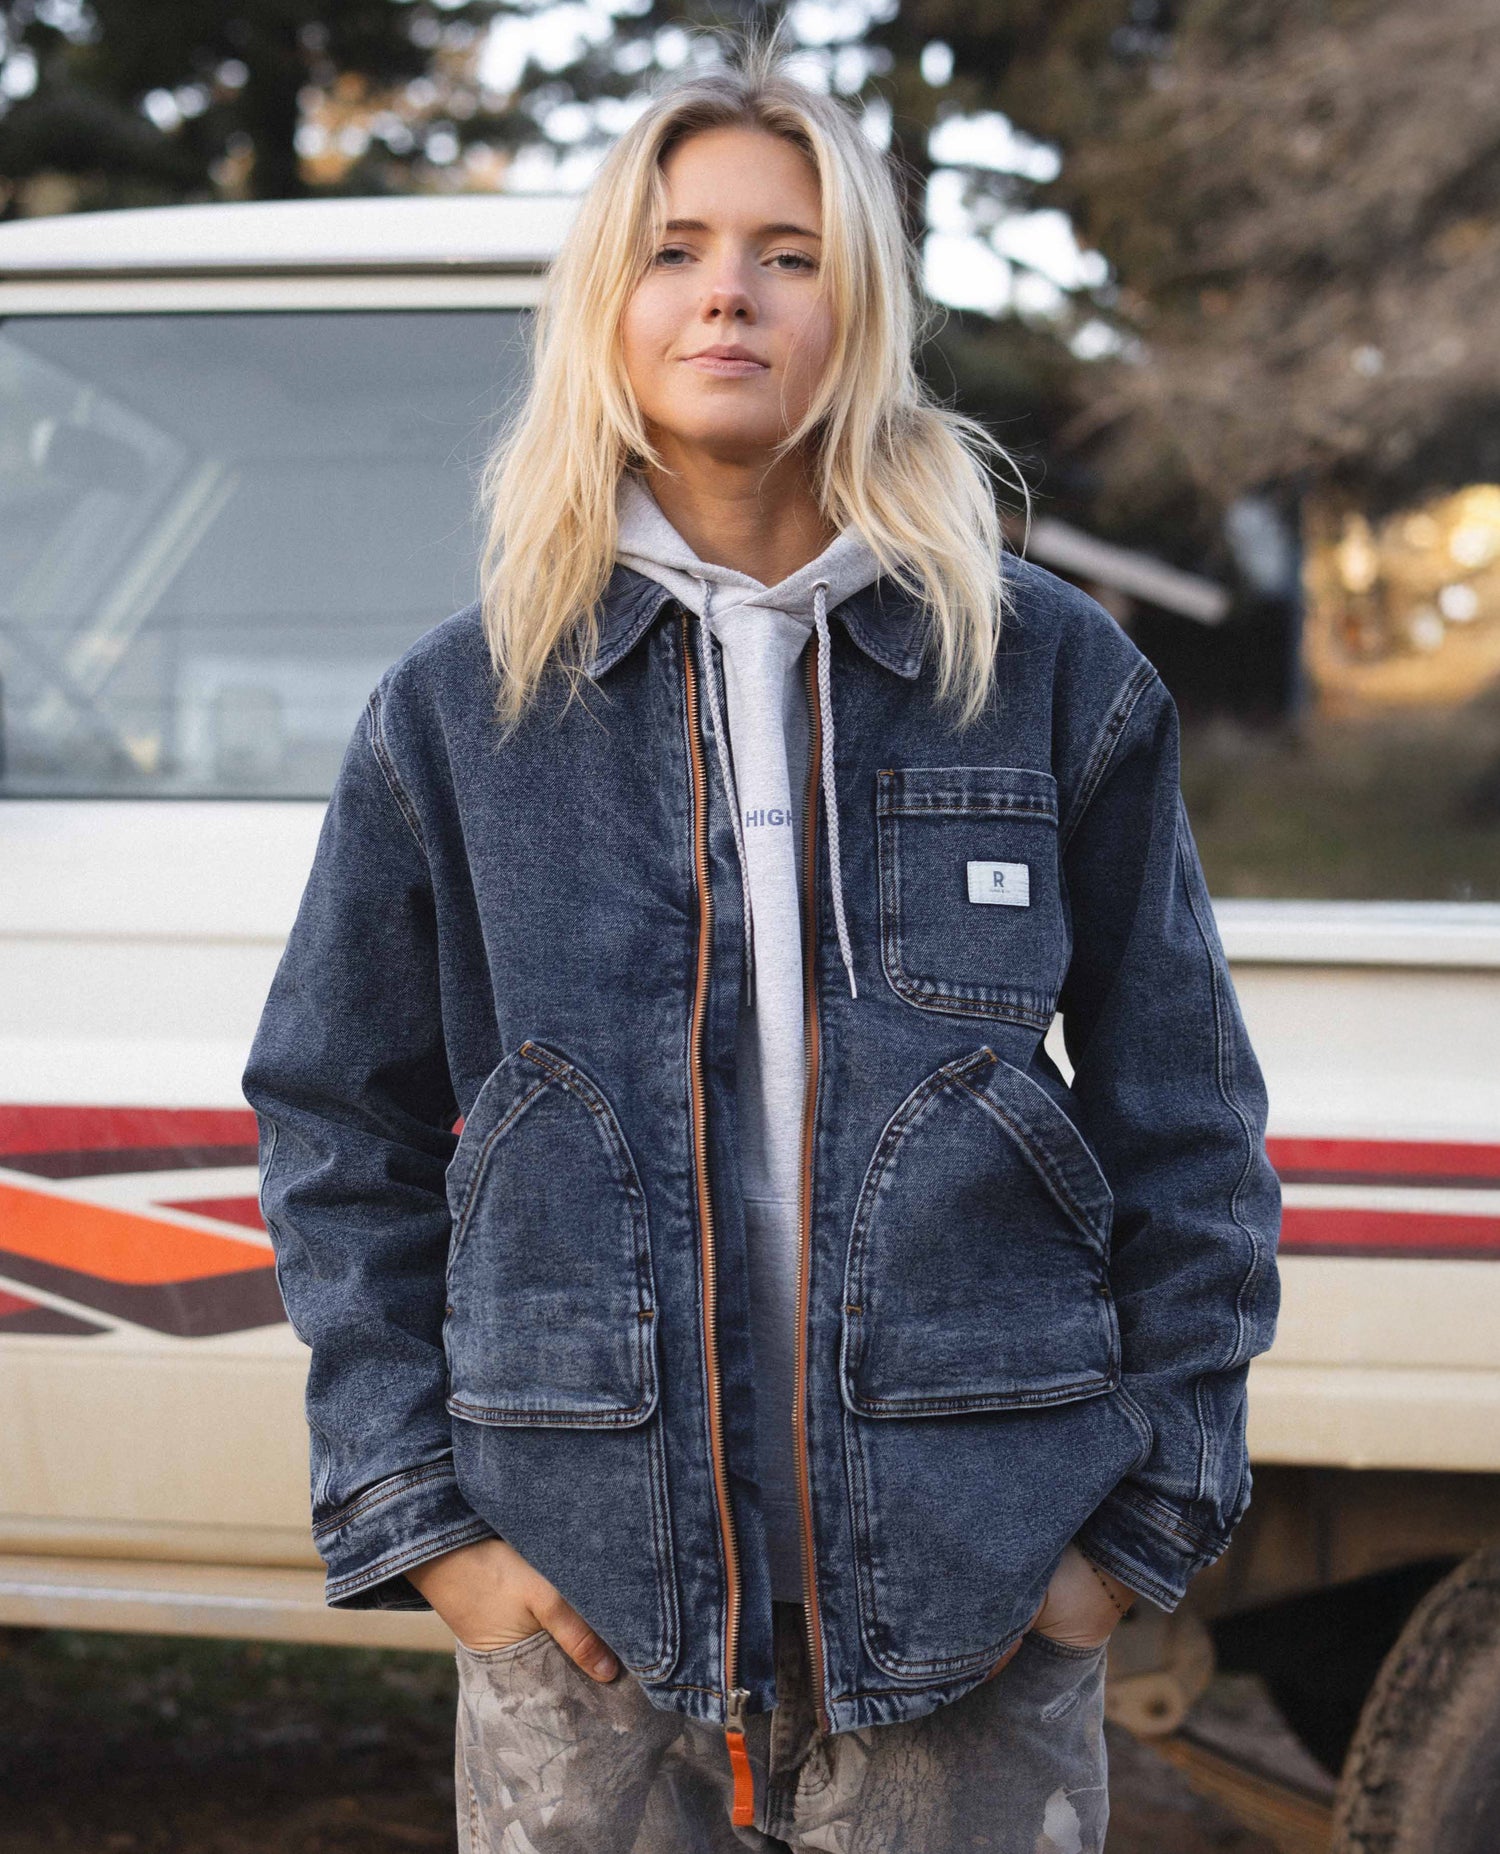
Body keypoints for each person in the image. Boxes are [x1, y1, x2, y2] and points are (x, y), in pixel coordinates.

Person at [241, 23, 1281, 1854]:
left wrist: (1128, 1537)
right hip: (588, 1615)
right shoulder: (458, 711)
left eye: (790, 255)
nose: (732, 294)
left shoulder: (1041, 674)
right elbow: (339, 1122)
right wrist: (440, 1531)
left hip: (980, 1591)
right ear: (607, 311)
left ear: (860, 310)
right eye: (678, 249)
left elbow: (1184, 1119)